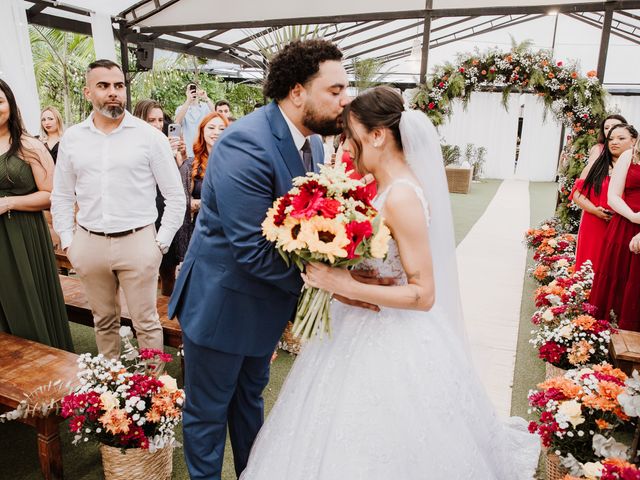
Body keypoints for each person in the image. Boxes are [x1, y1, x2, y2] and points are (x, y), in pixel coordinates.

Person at [240, 86, 539, 480]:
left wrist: (342, 283)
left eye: (351, 136)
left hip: (395, 334)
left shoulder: (401, 196)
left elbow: (423, 294)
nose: (345, 147)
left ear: (377, 135)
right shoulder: (379, 188)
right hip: (355, 326)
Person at [168, 39, 351, 479]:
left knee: (250, 402)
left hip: (265, 306)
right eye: (335, 90)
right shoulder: (244, 143)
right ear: (296, 92)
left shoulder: (316, 146)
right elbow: (251, 248)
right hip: (222, 305)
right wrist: (323, 283)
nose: (345, 100)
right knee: (208, 412)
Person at [51, 59, 186, 360]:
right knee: (104, 321)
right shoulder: (73, 138)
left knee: (147, 323)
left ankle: (154, 395)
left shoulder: (150, 137)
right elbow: (61, 195)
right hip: (89, 242)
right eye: (103, 86)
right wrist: (70, 242)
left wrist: (159, 244)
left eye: (119, 86)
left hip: (139, 241)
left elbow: (176, 196)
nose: (113, 92)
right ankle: (109, 391)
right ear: (88, 92)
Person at [0, 79, 73, 351]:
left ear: (10, 104)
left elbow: (51, 194)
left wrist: (8, 203)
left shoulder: (29, 145)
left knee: (26, 303)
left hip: (22, 236)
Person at [133, 99, 191, 296]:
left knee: (168, 270)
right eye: (151, 120)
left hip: (165, 209)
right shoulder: (132, 146)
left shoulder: (166, 144)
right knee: (139, 273)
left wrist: (178, 158)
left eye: (160, 120)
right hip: (141, 211)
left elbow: (176, 186)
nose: (158, 125)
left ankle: (168, 313)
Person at [590, 127, 640, 330]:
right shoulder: (630, 156)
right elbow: (613, 195)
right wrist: (634, 217)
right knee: (616, 278)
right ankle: (603, 333)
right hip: (624, 225)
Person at [571, 124, 637, 272]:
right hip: (595, 222)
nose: (614, 142)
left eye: (621, 138)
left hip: (625, 223)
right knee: (590, 264)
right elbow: (577, 193)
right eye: (610, 139)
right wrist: (595, 210)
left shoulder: (635, 169)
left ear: (634, 141)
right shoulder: (598, 165)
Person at [189, 112, 228, 226]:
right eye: (211, 128)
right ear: (202, 131)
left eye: (222, 129)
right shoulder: (190, 165)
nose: (216, 132)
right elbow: (182, 203)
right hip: (200, 227)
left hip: (228, 227)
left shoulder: (235, 163)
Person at [579, 114, 627, 180]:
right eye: (606, 128)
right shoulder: (599, 149)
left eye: (615, 126)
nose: (610, 129)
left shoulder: (631, 150)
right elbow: (590, 174)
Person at [175, 83, 214, 157]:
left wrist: (206, 98)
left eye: (194, 88)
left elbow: (217, 115)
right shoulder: (181, 109)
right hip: (188, 153)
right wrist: (188, 101)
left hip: (204, 152)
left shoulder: (205, 107)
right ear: (186, 93)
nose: (193, 91)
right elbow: (177, 123)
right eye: (190, 89)